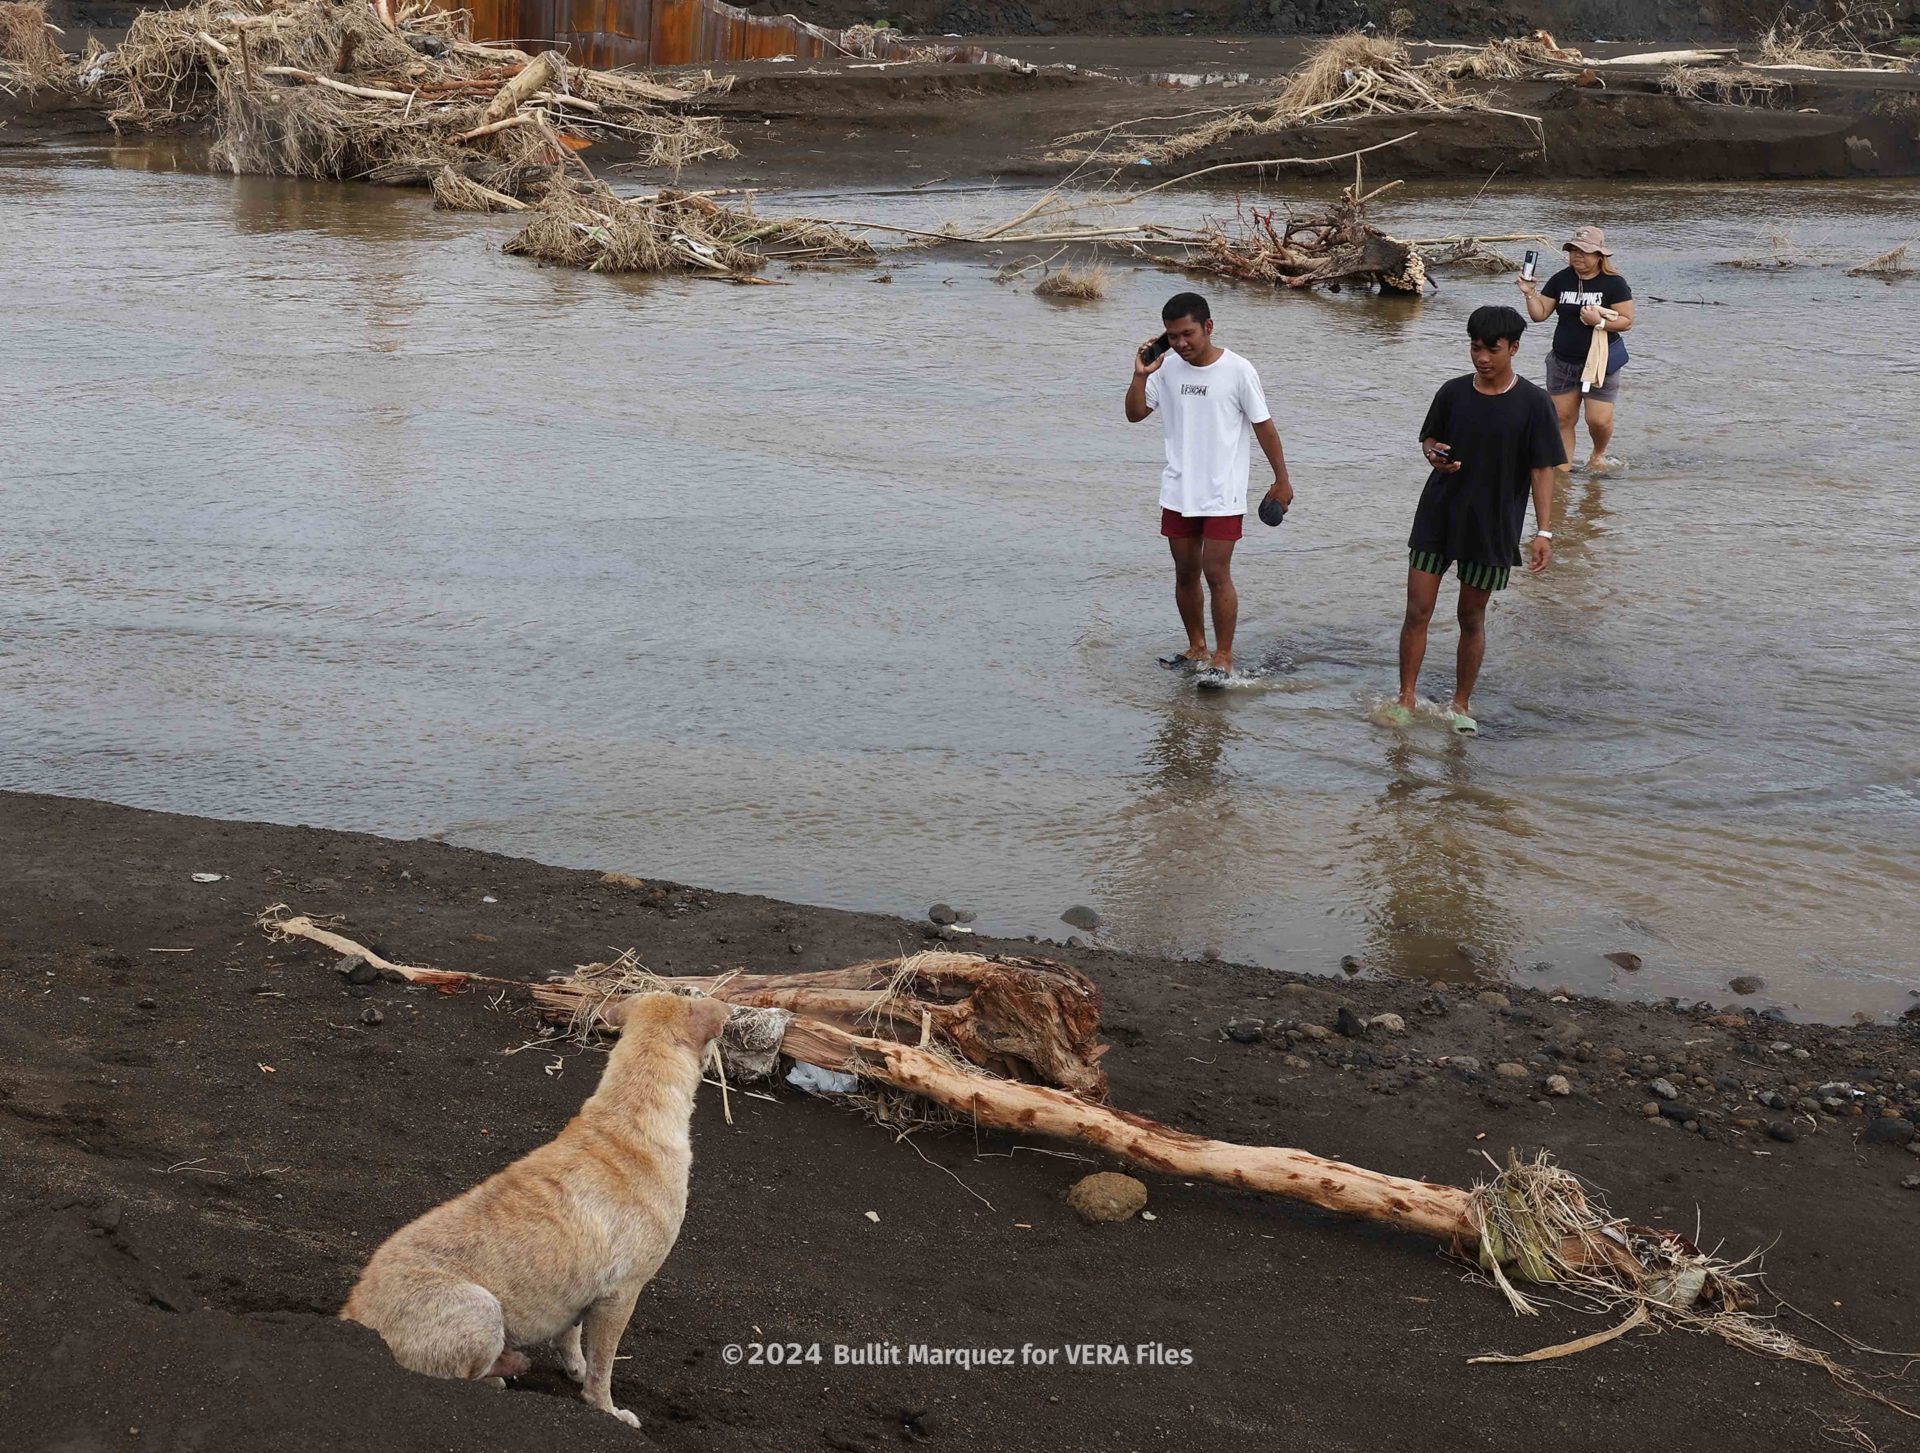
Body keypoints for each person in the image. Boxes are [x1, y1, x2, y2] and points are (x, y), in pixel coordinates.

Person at [1384, 304, 1565, 735]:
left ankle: (1460, 704)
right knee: (1418, 609)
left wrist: (1543, 531)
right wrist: (1433, 454)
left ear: (1514, 349)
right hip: (1437, 517)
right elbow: (1430, 438)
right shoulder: (1452, 391)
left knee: (1471, 616)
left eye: (1492, 350)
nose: (1482, 357)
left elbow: (1543, 469)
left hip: (1493, 525)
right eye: (1475, 347)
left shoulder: (1534, 403)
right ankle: (1405, 696)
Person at [1124, 291, 1292, 690]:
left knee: (1216, 572)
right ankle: (1196, 646)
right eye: (1173, 336)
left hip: (1222, 492)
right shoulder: (1164, 371)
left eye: (1188, 334)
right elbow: (1133, 414)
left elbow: (1263, 426)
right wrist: (1140, 374)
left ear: (1208, 327)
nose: (1181, 343)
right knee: (1184, 574)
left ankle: (1223, 656)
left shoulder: (1238, 370)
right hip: (1179, 490)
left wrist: (1282, 480)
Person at [1517, 225, 1635, 474]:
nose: (1577, 256)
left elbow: (1626, 321)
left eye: (1584, 251)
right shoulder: (1561, 279)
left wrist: (1600, 322)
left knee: (1598, 420)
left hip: (1600, 362)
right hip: (1562, 362)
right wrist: (1530, 294)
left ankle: (1598, 454)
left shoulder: (1614, 284)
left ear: (1599, 256)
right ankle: (1562, 475)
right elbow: (1539, 315)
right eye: (1572, 250)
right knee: (1562, 419)